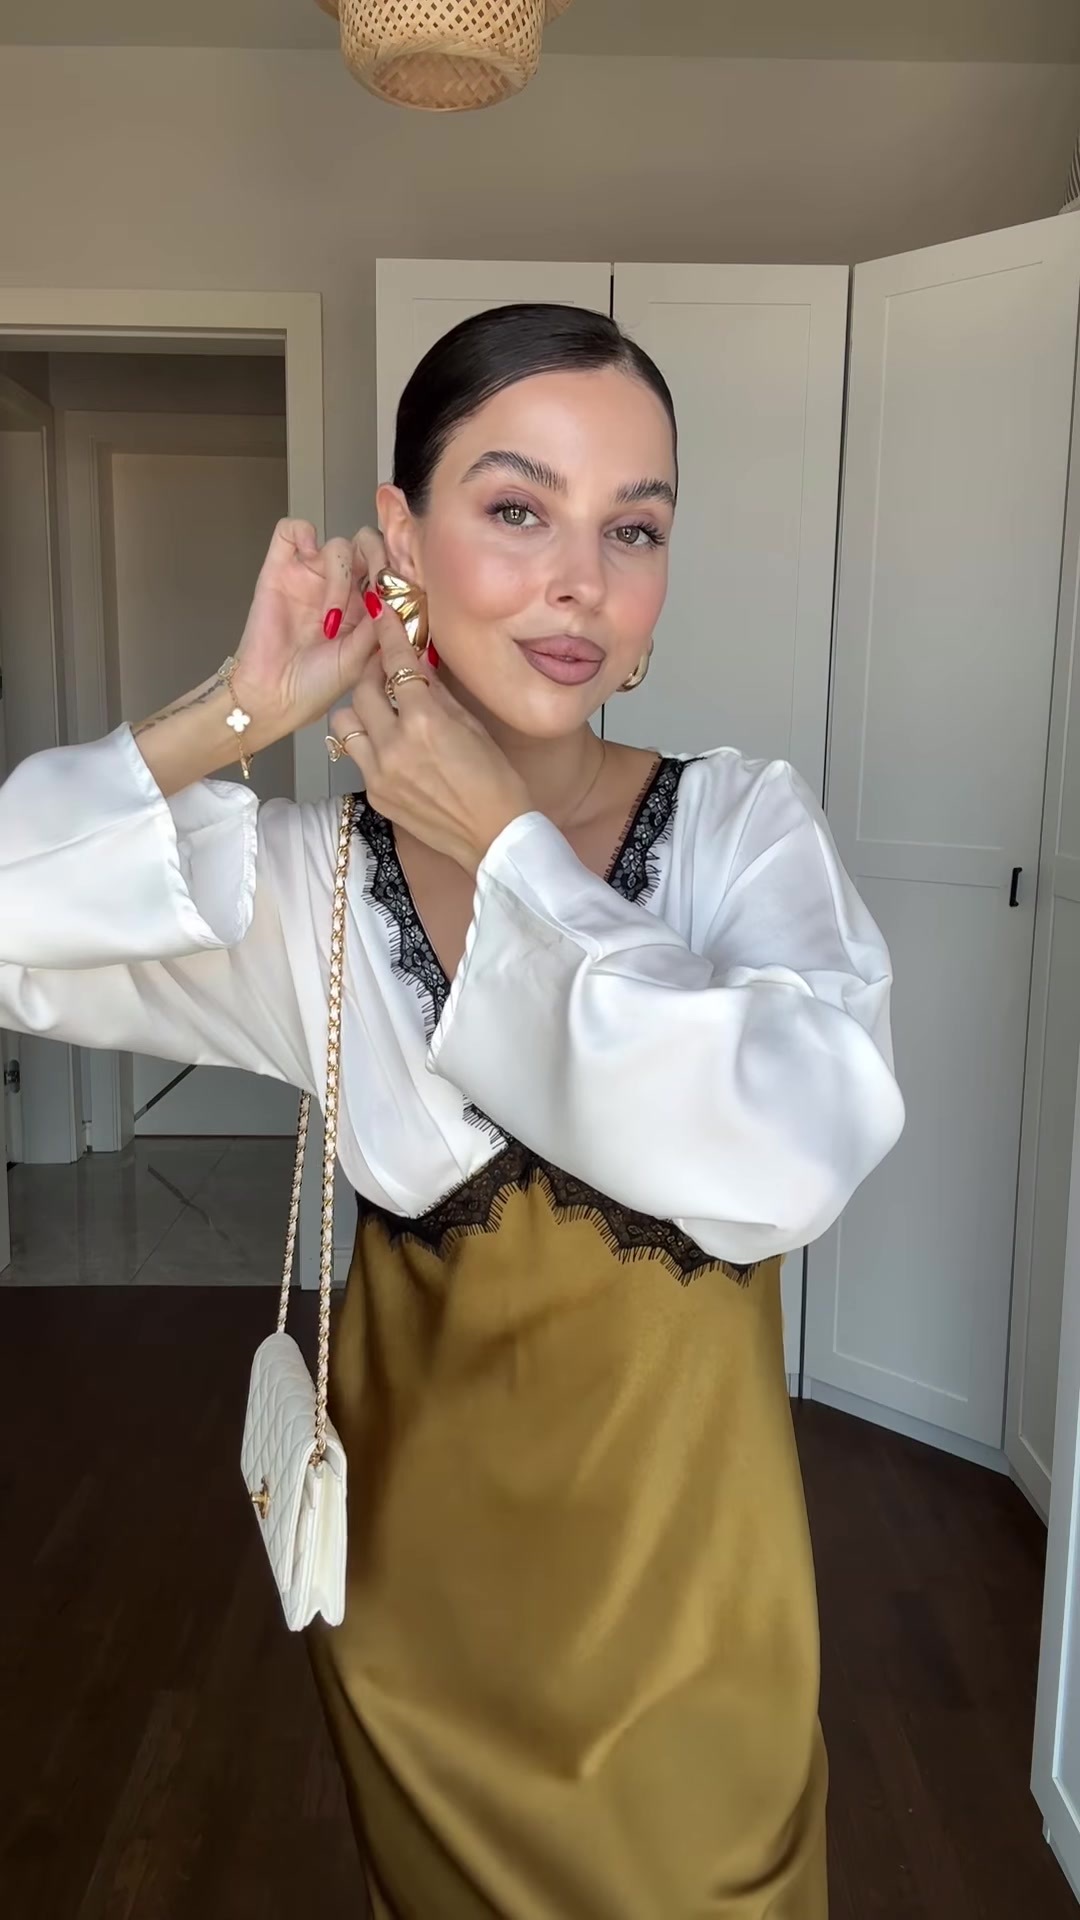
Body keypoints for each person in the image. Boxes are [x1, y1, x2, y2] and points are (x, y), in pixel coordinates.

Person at [0, 304, 905, 1918]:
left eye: (634, 528)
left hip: (702, 1694)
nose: (582, 580)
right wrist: (240, 711)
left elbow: (802, 1140)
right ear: (403, 539)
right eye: (516, 509)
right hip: (420, 1676)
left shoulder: (739, 833)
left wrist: (507, 854)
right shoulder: (313, 893)